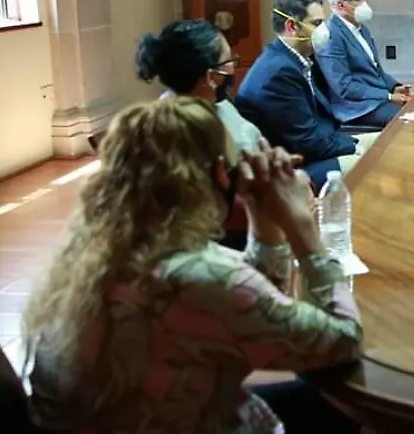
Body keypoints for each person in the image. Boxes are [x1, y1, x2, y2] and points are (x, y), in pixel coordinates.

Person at [23, 98, 364, 433]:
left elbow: (248, 318)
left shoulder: (92, 258)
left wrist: (264, 223)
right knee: (345, 408)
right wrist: (302, 229)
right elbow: (342, 343)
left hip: (127, 417)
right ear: (219, 175)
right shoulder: (195, 276)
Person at [136, 19, 261, 249]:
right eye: (229, 61)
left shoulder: (212, 105)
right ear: (212, 76)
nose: (233, 68)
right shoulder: (197, 129)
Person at [235, 0, 360, 189]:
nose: (324, 31)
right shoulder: (279, 72)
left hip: (319, 147)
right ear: (292, 26)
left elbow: (319, 124)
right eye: (317, 24)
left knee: (383, 144)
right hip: (293, 169)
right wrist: (356, 146)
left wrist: (352, 143)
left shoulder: (296, 60)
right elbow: (308, 143)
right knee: (375, 161)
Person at [315, 0, 410, 129]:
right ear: (341, 5)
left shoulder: (362, 28)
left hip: (375, 99)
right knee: (407, 118)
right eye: (358, 0)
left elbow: (376, 70)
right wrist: (388, 96)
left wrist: (394, 86)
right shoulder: (331, 35)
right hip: (355, 108)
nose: (364, 4)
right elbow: (344, 87)